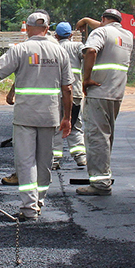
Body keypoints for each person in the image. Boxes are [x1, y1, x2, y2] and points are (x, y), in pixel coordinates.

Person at [0, 12, 72, 220]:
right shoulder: (60, 52)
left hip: (25, 116)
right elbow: (68, 88)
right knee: (45, 161)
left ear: (27, 28)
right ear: (47, 29)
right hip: (50, 115)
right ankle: (40, 200)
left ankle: (29, 208)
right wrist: (67, 118)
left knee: (26, 161)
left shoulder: (21, 50)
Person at [76, 9, 133, 196]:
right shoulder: (127, 35)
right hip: (116, 93)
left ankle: (100, 184)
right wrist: (85, 19)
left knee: (96, 137)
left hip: (98, 91)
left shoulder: (100, 32)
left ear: (103, 20)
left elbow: (91, 50)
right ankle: (104, 176)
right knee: (106, 137)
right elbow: (105, 28)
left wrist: (86, 78)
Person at [51, 22, 86, 169]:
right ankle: (80, 157)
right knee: (75, 124)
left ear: (56, 36)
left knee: (57, 126)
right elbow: (88, 54)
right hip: (75, 93)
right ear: (71, 35)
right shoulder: (77, 46)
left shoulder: (53, 48)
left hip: (57, 95)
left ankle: (54, 160)